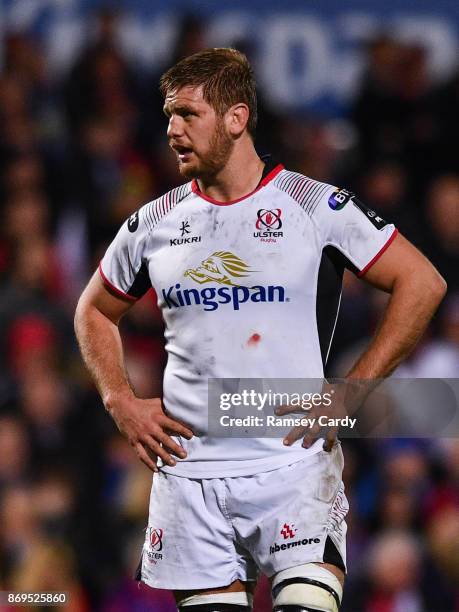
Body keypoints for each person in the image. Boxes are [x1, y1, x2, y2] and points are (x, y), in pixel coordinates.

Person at [74, 48, 446, 612]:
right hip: (189, 476)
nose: (172, 130)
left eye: (187, 115)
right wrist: (119, 399)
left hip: (292, 466)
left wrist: (356, 386)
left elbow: (422, 283)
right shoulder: (152, 223)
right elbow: (93, 310)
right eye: (168, 116)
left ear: (236, 118)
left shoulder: (312, 206)